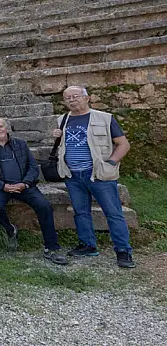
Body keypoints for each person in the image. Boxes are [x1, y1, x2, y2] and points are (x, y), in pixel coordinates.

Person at [52, 85, 134, 268]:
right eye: (67, 98)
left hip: (98, 174)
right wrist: (56, 136)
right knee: (81, 213)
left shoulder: (104, 118)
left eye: (75, 96)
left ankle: (123, 251)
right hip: (73, 174)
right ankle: (88, 245)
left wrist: (111, 162)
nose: (72, 100)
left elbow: (123, 144)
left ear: (87, 98)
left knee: (113, 213)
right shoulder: (62, 119)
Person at [0, 118, 68, 265]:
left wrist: (25, 183)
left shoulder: (20, 143)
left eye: (0, 126)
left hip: (23, 185)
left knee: (44, 206)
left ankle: (51, 248)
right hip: (1, 187)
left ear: (7, 128)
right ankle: (10, 229)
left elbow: (33, 167)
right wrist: (3, 186)